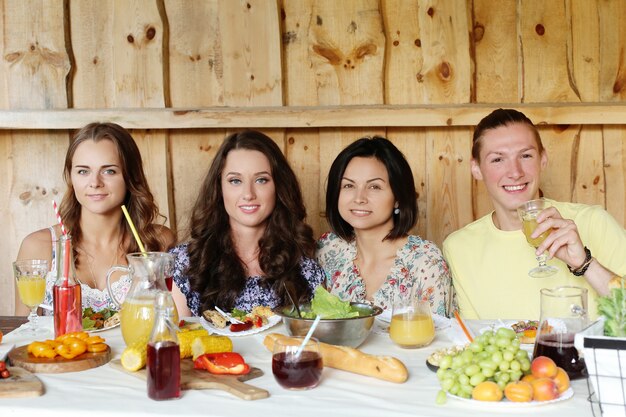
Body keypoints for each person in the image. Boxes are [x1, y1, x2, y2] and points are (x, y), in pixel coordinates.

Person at [443, 108, 626, 320]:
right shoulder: (458, 248)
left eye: (526, 155)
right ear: (476, 169)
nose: (515, 172)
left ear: (543, 159)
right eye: (497, 159)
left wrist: (584, 263)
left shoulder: (594, 222)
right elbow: (474, 340)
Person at [15, 122, 175, 315]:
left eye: (109, 171)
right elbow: (23, 334)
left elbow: (173, 323)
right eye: (83, 171)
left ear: (130, 176)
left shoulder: (159, 242)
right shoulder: (38, 247)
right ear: (71, 178)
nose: (95, 183)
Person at [170, 130, 325, 317]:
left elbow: (314, 339)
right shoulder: (185, 263)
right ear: (219, 188)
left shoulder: (304, 267)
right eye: (235, 181)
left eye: (261, 180)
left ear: (279, 187)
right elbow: (175, 340)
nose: (248, 194)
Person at [316, 136, 455, 317]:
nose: (359, 198)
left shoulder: (425, 261)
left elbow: (441, 336)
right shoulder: (328, 249)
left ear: (398, 197)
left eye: (374, 187)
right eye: (348, 185)